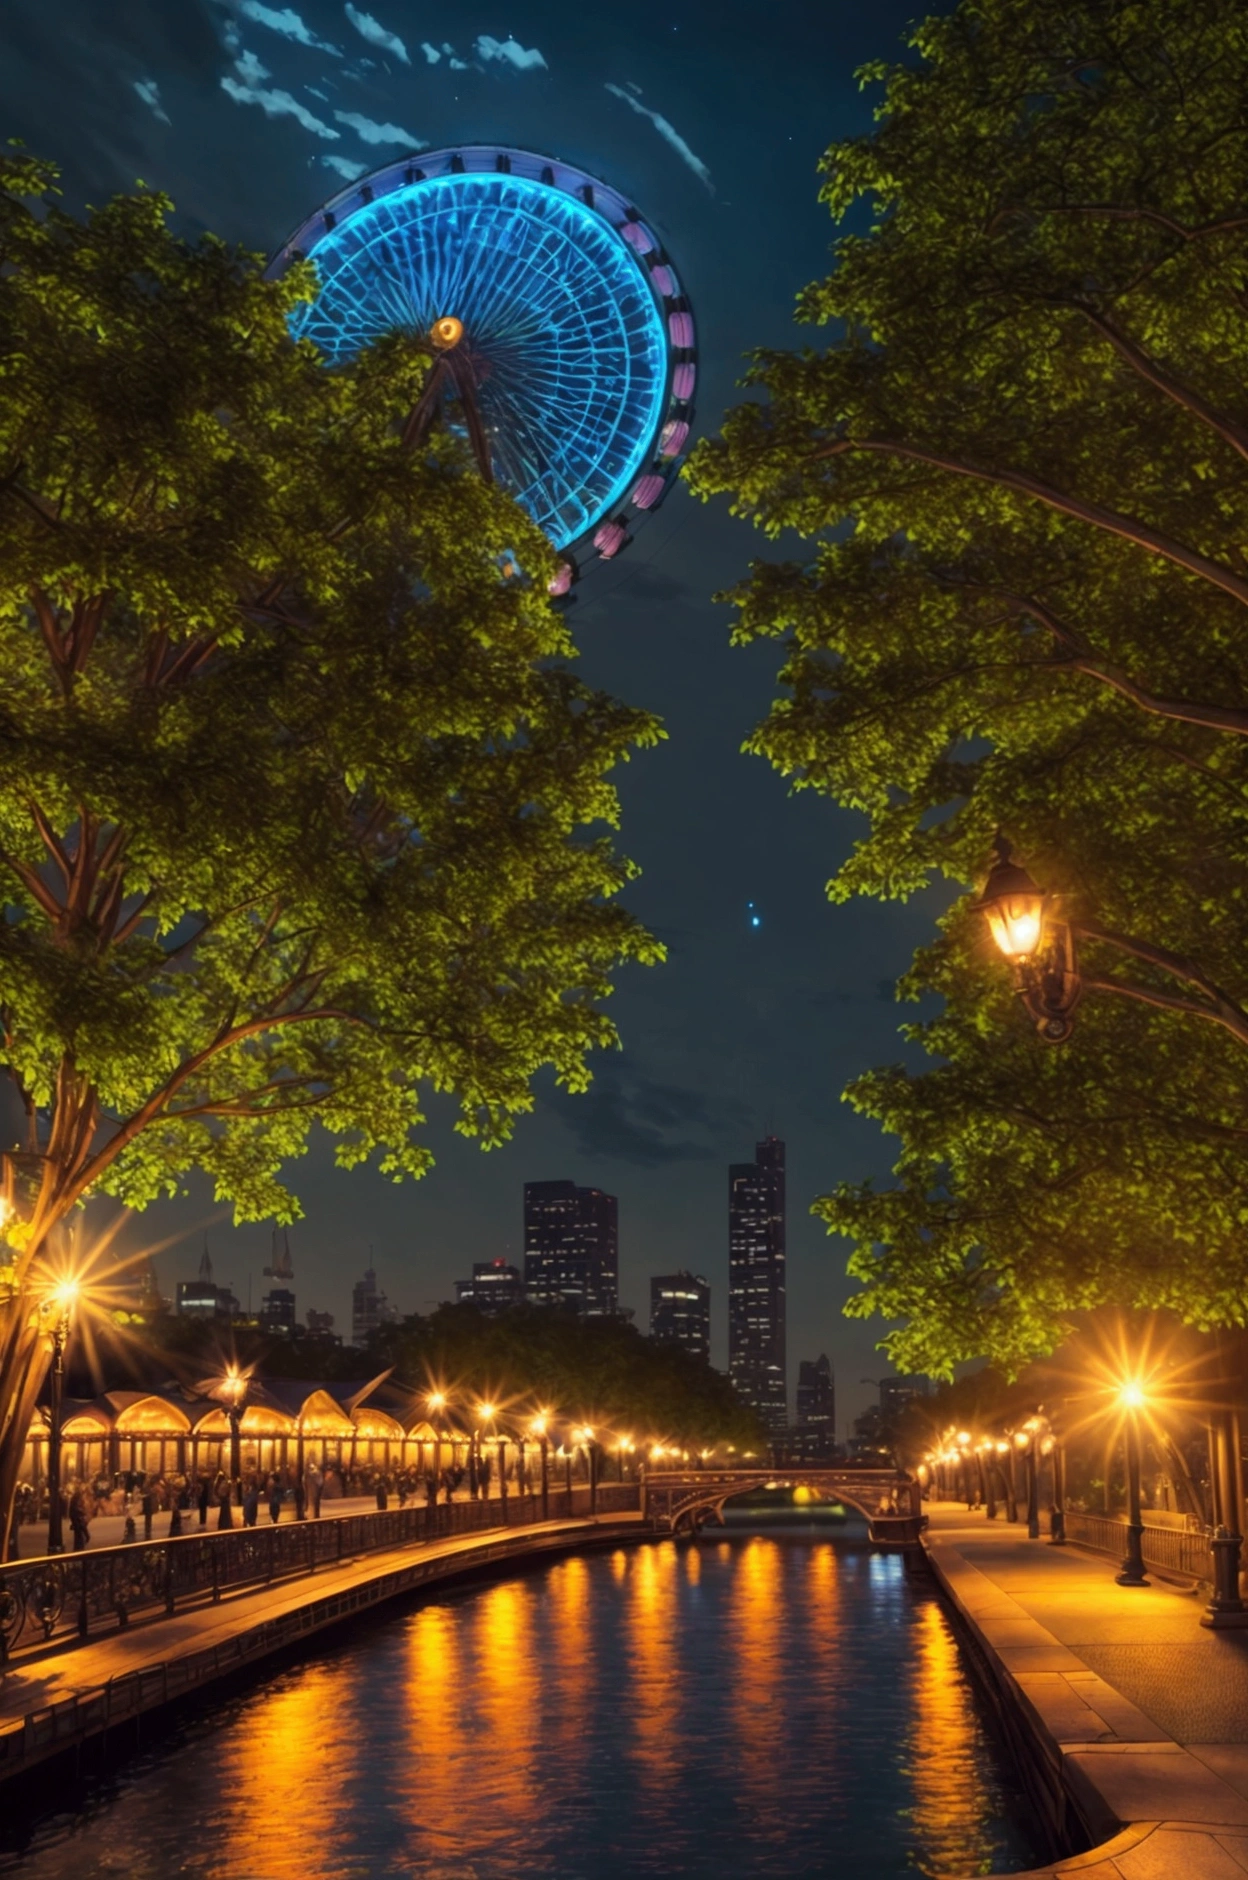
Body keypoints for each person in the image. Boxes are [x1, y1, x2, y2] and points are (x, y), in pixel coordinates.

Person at [69, 1481, 92, 1551]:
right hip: (77, 1518)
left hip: (76, 1518)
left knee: (79, 1535)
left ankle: (78, 1549)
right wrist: (82, 1512)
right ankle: (79, 1550)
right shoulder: (77, 1496)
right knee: (80, 1535)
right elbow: (76, 1508)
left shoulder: (77, 1496)